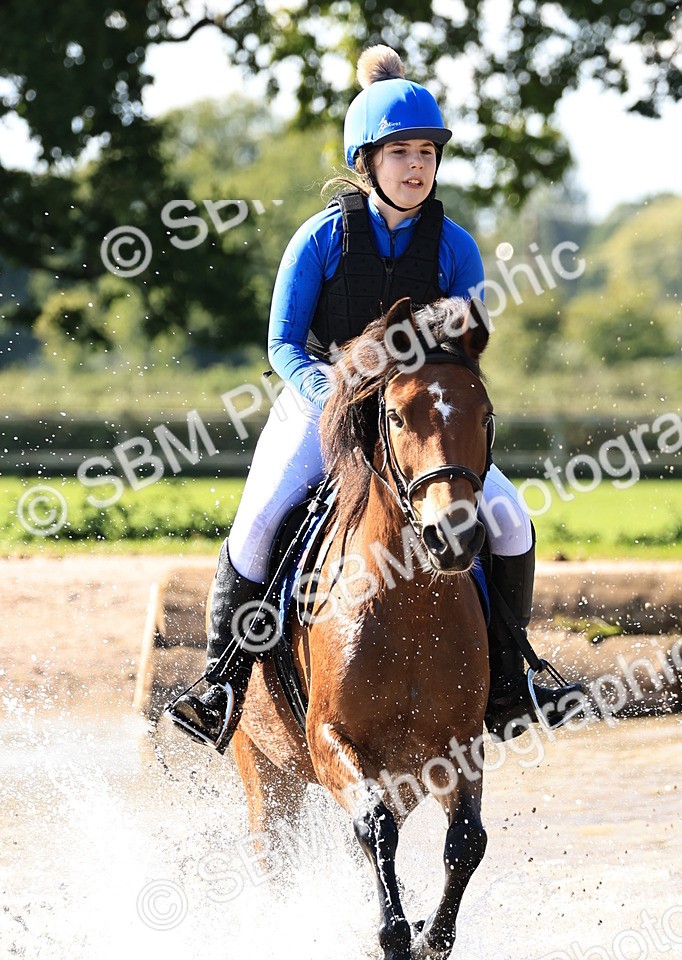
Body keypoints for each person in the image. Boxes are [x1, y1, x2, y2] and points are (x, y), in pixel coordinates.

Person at [168, 45, 583, 753]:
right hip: (320, 404)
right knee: (261, 520)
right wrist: (326, 392)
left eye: (427, 152)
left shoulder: (455, 248)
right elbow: (282, 344)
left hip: (415, 418)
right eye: (401, 153)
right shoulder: (320, 239)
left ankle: (514, 682)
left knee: (510, 522)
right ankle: (221, 682)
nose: (417, 166)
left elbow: (463, 346)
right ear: (368, 161)